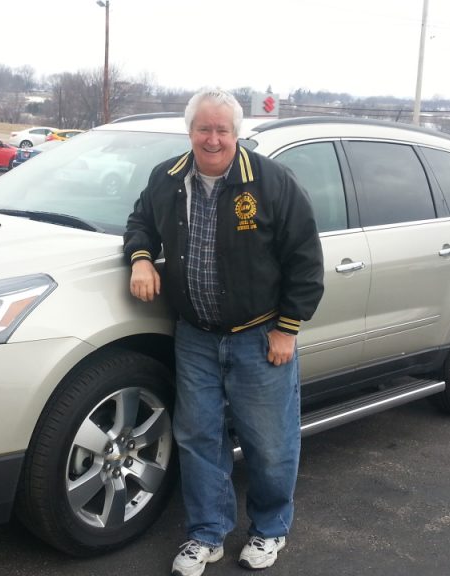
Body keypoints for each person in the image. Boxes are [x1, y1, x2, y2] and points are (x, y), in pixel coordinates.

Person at [123, 89, 324, 575]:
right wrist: (141, 257)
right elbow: (139, 222)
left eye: (222, 130)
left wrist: (287, 329)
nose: (212, 139)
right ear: (189, 130)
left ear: (238, 133)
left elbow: (305, 261)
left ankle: (270, 529)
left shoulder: (272, 183)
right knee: (199, 438)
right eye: (203, 129)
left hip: (260, 336)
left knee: (270, 442)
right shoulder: (166, 179)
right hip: (195, 336)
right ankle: (206, 534)